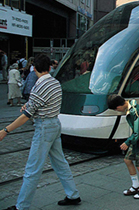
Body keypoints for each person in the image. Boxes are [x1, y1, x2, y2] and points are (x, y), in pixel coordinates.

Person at [0, 54, 81, 210]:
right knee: (60, 163)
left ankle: (21, 206)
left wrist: (5, 130)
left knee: (32, 169)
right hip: (55, 124)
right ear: (50, 67)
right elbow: (40, 104)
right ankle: (73, 195)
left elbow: (26, 117)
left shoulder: (39, 85)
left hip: (44, 128)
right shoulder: (55, 82)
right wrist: (29, 106)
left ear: (34, 68)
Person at [107, 95, 139, 199]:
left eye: (117, 110)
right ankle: (136, 185)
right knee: (128, 160)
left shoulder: (135, 111)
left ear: (118, 107)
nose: (118, 111)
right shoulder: (132, 108)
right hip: (137, 139)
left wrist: (127, 142)